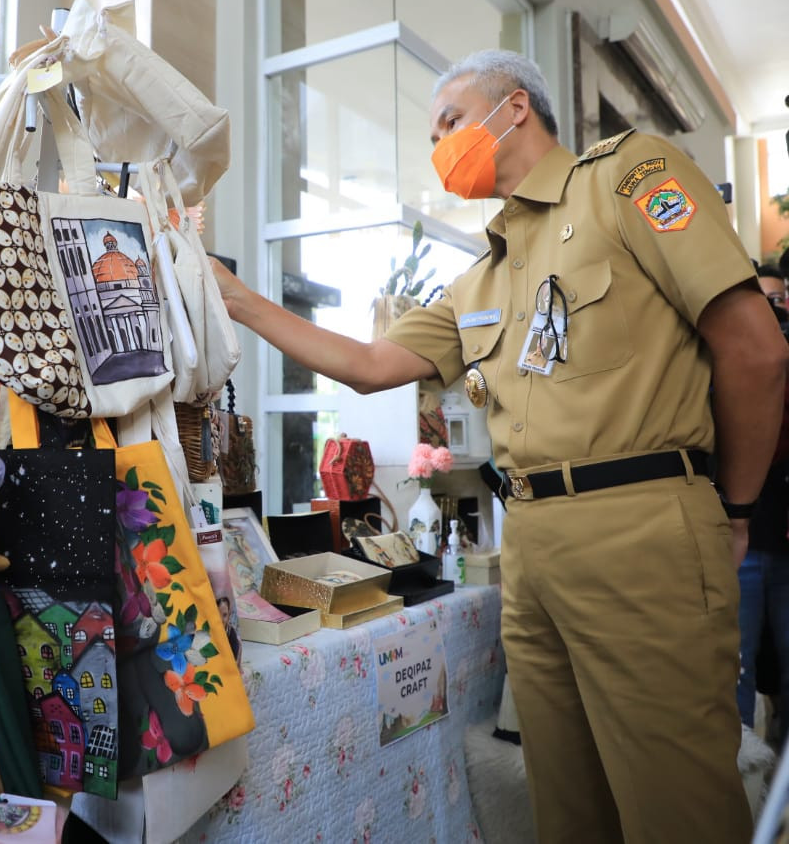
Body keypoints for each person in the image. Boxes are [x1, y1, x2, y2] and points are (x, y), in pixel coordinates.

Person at [212, 48, 788, 843]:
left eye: (451, 119)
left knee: (677, 806)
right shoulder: (480, 279)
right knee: (566, 806)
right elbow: (370, 364)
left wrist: (735, 508)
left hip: (643, 525)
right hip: (533, 552)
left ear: (515, 106)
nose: (441, 142)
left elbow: (755, 350)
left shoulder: (626, 179)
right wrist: (238, 300)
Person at [737, 265, 789, 739]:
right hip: (743, 540)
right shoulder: (730, 358)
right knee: (740, 665)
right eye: (764, 302)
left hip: (785, 545)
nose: (774, 311)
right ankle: (745, 772)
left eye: (781, 300)